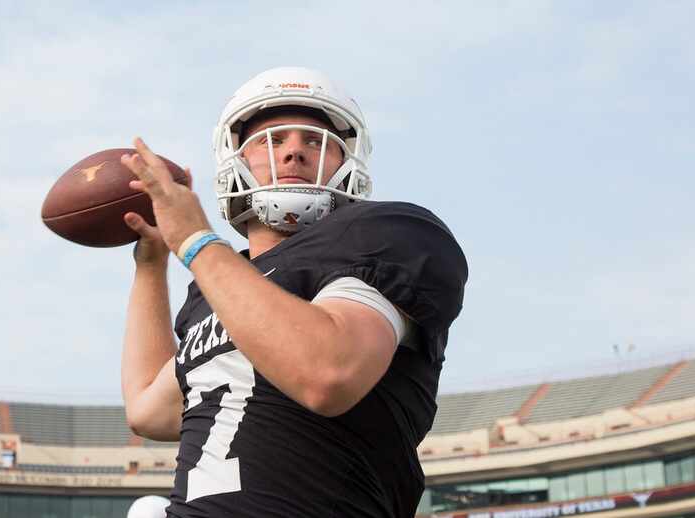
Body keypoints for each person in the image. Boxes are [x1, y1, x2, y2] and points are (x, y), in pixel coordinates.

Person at [119, 66, 467, 518]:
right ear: (234, 162)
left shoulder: (385, 231)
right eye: (273, 141)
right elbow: (148, 408)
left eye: (315, 142)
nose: (295, 154)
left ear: (348, 164)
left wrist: (197, 242)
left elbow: (329, 372)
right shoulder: (222, 282)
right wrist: (152, 264)